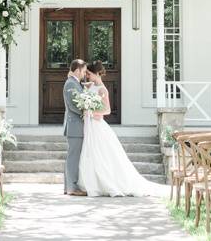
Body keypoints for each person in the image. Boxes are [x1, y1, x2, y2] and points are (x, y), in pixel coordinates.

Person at [78, 60, 167, 197]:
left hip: (97, 126)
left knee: (102, 154)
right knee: (91, 153)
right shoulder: (91, 86)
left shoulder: (102, 89)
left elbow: (107, 110)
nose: (87, 76)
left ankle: (107, 183)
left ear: (96, 74)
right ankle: (93, 183)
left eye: (89, 74)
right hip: (90, 126)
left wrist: (91, 112)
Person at [62, 58, 87, 196]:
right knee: (73, 157)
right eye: (83, 71)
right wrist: (86, 112)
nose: (84, 74)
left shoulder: (75, 83)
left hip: (75, 126)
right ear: (77, 70)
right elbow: (73, 105)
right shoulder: (71, 84)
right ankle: (72, 187)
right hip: (75, 126)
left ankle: (69, 187)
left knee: (72, 156)